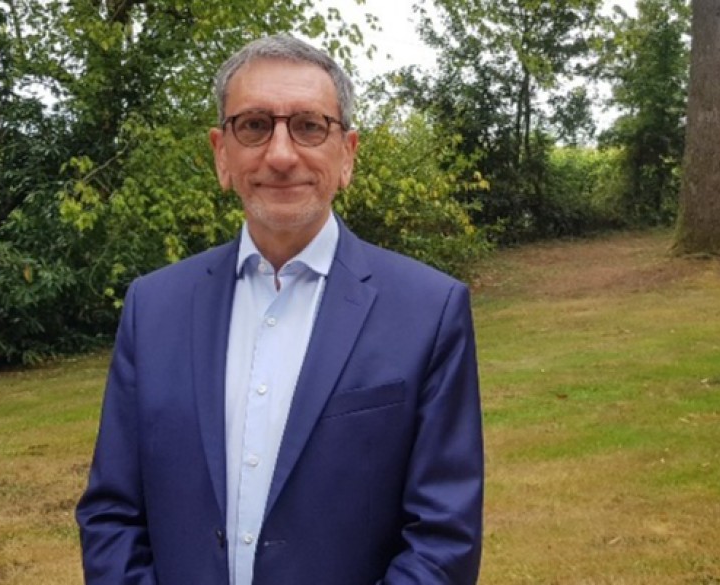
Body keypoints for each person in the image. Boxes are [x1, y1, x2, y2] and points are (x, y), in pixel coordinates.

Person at [76, 34, 484, 585]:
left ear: (348, 154)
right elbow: (112, 516)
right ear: (222, 154)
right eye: (254, 126)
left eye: (310, 126)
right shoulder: (153, 308)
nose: (282, 154)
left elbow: (443, 539)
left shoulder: (429, 311)